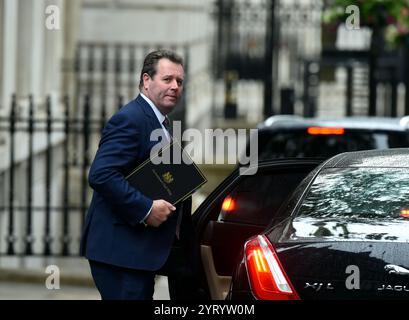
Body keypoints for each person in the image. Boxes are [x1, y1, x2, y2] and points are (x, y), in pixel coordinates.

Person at [80, 50, 195, 300]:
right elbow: (101, 175)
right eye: (167, 79)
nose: (175, 86)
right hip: (120, 254)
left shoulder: (160, 121)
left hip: (138, 255)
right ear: (146, 80)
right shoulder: (130, 119)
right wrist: (146, 209)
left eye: (179, 81)